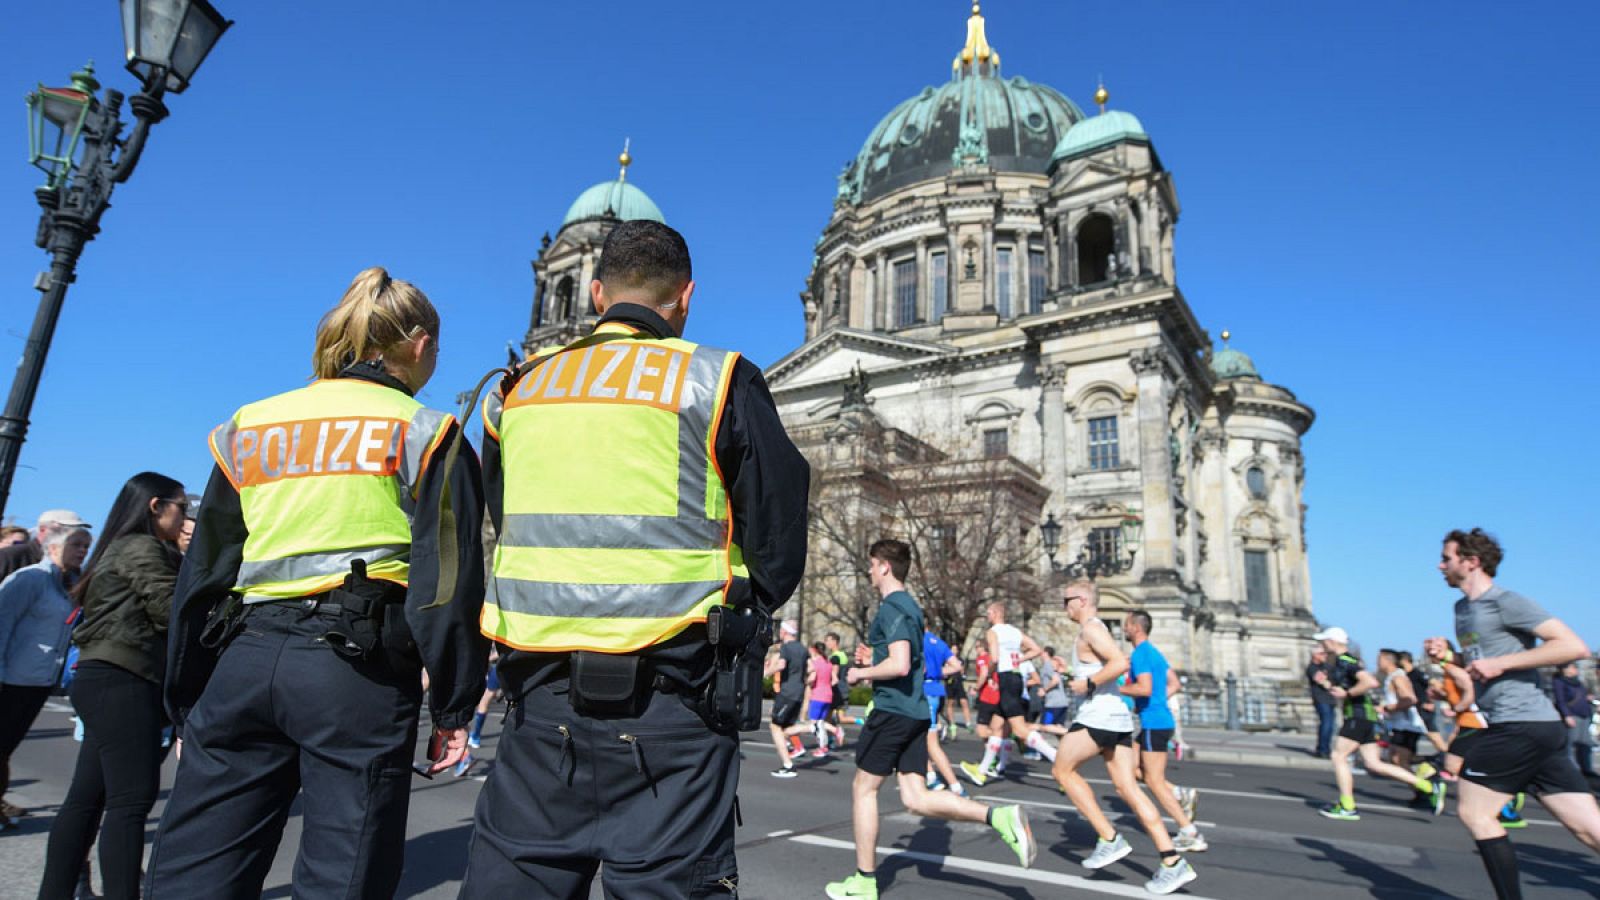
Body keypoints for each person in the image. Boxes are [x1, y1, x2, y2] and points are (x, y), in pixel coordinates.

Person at [460, 220, 810, 897]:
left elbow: (510, 521)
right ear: (685, 297)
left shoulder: (517, 390)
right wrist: (735, 618)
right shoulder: (719, 380)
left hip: (538, 707)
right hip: (675, 708)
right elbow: (778, 541)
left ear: (596, 293)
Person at [143, 267, 488, 899]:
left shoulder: (252, 424)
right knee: (344, 871)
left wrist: (187, 697)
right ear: (417, 345)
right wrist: (455, 705)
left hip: (243, 658)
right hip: (355, 669)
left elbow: (207, 570)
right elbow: (448, 581)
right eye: (436, 349)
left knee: (195, 868)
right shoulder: (426, 431)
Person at [824, 540, 1032, 899]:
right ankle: (997, 817)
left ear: (885, 567)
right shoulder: (912, 608)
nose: (870, 572)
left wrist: (861, 675)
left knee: (863, 788)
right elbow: (908, 659)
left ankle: (864, 881)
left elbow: (900, 664)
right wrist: (873, 654)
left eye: (872, 565)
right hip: (917, 711)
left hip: (893, 711)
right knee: (916, 798)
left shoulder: (892, 607)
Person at [38, 473, 186, 900]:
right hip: (125, 679)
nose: (185, 518)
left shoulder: (119, 546)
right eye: (181, 508)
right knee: (130, 803)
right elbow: (169, 610)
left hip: (102, 677)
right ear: (156, 506)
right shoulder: (142, 548)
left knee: (87, 799)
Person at [1440, 528, 1600, 899]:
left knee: (1475, 813)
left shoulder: (1506, 602)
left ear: (1471, 562)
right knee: (1587, 829)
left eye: (1446, 558)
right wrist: (1450, 658)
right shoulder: (1463, 609)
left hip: (1520, 723)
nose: (1440, 565)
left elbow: (1572, 646)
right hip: (1534, 726)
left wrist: (1502, 664)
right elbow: (1480, 661)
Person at [1053, 579, 1197, 894]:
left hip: (1098, 715)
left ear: (1081, 600)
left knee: (1061, 770)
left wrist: (1088, 685)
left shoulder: (1091, 628)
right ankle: (1172, 861)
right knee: (1128, 787)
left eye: (1066, 600)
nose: (1064, 607)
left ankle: (1109, 837)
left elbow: (1120, 663)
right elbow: (1101, 669)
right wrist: (1071, 674)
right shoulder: (1094, 629)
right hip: (1117, 718)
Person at [0, 525, 91, 823]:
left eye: (86, 545)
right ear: (52, 547)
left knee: (6, 747)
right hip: (12, 677)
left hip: (40, 680)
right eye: (76, 544)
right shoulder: (31, 579)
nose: (82, 550)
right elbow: (2, 623)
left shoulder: (72, 583)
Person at [1310, 627, 1444, 821]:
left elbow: (1369, 682)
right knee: (1374, 764)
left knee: (1338, 756)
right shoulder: (1345, 662)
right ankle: (1428, 786)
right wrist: (1328, 686)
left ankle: (1347, 806)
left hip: (1358, 716)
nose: (1322, 644)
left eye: (1324, 641)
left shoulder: (1346, 661)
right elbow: (1350, 687)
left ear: (1332, 641)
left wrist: (1347, 694)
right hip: (1365, 716)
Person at [1121, 611, 1207, 852]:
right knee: (1132, 769)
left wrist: (1119, 690)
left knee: (1154, 781)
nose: (1124, 629)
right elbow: (1175, 683)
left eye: (1126, 625)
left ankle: (1189, 831)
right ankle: (1180, 793)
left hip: (1154, 723)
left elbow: (1145, 688)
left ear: (1136, 628)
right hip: (1158, 720)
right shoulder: (1154, 653)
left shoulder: (1140, 654)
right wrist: (1159, 700)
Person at [966, 602, 1057, 782]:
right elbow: (1037, 649)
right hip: (1015, 678)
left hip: (1006, 678)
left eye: (989, 613)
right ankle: (982, 771)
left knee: (1020, 730)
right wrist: (1020, 659)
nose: (987, 616)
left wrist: (991, 671)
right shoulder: (1015, 631)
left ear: (995, 613)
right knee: (997, 728)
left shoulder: (992, 632)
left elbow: (995, 657)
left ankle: (1057, 758)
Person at [920, 625, 966, 795]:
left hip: (924, 693)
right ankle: (931, 776)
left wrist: (930, 672)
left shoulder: (917, 641)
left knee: (930, 743)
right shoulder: (938, 642)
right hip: (937, 692)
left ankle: (955, 786)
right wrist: (938, 672)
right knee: (915, 738)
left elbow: (919, 668)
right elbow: (956, 665)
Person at [766, 619, 813, 775]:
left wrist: (766, 673)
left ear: (784, 632)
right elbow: (812, 668)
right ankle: (812, 728)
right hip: (798, 692)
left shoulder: (786, 648)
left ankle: (787, 765)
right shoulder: (803, 648)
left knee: (774, 726)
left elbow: (781, 665)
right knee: (785, 728)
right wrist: (804, 681)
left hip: (787, 692)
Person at [0, 510, 92, 583]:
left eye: (76, 531)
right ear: (42, 529)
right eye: (64, 529)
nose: (70, 535)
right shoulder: (10, 556)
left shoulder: (74, 572)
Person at [1553, 662, 1595, 777]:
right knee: (1571, 745)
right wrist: (1567, 715)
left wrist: (1588, 699)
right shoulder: (1559, 682)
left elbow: (1582, 695)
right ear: (1564, 669)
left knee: (1585, 744)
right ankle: (1573, 771)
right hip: (1572, 716)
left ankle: (1587, 769)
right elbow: (1560, 700)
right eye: (1572, 667)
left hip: (1584, 715)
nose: (1575, 669)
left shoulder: (1578, 682)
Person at [807, 641, 844, 755]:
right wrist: (827, 685)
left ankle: (834, 731)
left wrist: (806, 682)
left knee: (813, 724)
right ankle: (823, 747)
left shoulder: (815, 663)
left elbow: (812, 678)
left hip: (818, 695)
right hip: (828, 695)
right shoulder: (828, 663)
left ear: (814, 650)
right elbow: (835, 679)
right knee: (820, 722)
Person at [1306, 645, 1336, 758]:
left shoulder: (1327, 666)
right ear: (1315, 655)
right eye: (1322, 653)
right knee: (1326, 723)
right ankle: (1323, 749)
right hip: (1321, 699)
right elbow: (1322, 681)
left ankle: (1323, 748)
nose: (1325, 655)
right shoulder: (1312, 667)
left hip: (1330, 699)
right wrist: (1331, 684)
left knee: (1329, 725)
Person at [1039, 646, 1071, 727]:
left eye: (1041, 653)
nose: (1040, 655)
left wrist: (1044, 690)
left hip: (1053, 704)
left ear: (1045, 653)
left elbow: (1055, 680)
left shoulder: (1047, 665)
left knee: (1044, 727)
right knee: (1058, 729)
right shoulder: (1051, 665)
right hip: (1062, 703)